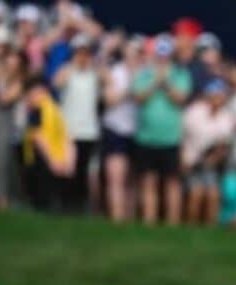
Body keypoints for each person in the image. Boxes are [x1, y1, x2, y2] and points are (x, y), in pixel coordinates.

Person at [132, 34, 191, 225]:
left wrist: (166, 83)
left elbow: (180, 99)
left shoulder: (181, 74)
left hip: (171, 137)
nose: (163, 58)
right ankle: (149, 221)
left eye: (166, 54)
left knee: (172, 183)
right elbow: (139, 98)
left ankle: (172, 223)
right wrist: (155, 82)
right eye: (160, 54)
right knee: (148, 181)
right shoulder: (144, 74)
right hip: (147, 137)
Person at [52, 32, 101, 213]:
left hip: (88, 131)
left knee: (83, 172)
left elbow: (108, 81)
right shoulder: (67, 71)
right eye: (79, 52)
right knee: (67, 171)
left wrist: (95, 64)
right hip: (69, 131)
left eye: (86, 52)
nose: (83, 56)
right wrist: (73, 65)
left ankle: (80, 207)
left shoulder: (94, 74)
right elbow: (57, 82)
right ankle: (65, 206)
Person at [100, 37, 142, 222]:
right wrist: (129, 88)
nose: (134, 57)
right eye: (131, 53)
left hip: (139, 130)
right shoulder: (115, 73)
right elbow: (109, 100)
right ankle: (117, 219)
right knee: (116, 176)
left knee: (133, 179)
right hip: (116, 129)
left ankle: (130, 218)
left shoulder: (145, 73)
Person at [181, 78, 234, 225]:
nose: (218, 98)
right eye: (215, 94)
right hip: (190, 160)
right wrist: (183, 160)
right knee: (196, 194)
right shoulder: (194, 111)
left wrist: (213, 160)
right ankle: (190, 226)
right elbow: (182, 136)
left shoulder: (227, 116)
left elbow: (223, 145)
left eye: (221, 95)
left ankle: (210, 227)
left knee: (213, 194)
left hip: (211, 164)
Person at [22, 76, 74, 211]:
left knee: (42, 199)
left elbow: (39, 137)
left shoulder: (38, 110)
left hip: (43, 159)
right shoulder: (55, 109)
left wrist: (52, 160)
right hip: (58, 158)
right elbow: (66, 137)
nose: (30, 98)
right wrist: (67, 160)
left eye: (32, 94)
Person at [0, 26, 23, 210]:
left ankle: (3, 201)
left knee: (2, 162)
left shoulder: (13, 68)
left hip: (2, 124)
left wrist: (1, 67)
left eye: (1, 47)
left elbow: (6, 97)